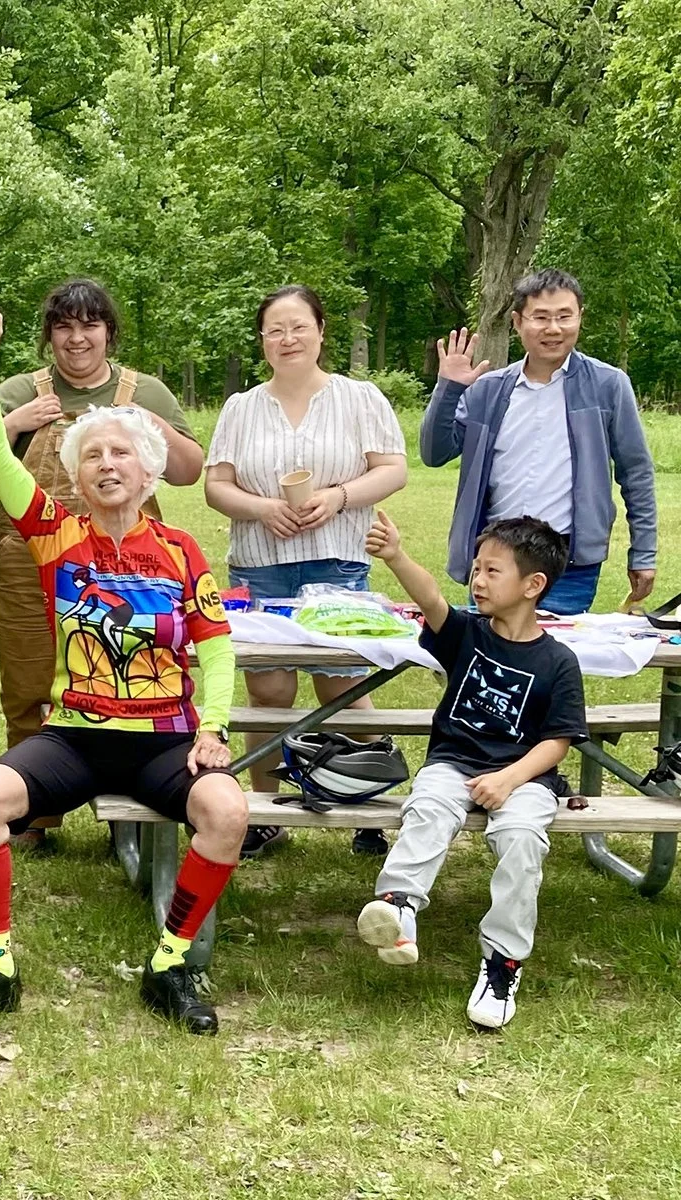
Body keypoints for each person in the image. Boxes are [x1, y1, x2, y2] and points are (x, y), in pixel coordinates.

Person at [0, 307, 249, 1034]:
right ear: (76, 475)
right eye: (92, 457)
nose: (107, 465)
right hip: (76, 735)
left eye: (121, 455)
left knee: (228, 811)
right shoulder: (56, 536)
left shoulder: (179, 552)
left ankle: (170, 964)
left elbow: (218, 644)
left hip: (163, 739)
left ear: (147, 470)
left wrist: (216, 727)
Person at [0, 278, 205, 850]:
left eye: (90, 325)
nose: (77, 338)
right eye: (64, 326)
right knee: (27, 677)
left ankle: (132, 792)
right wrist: (20, 420)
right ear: (49, 337)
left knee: (126, 668)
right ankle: (34, 814)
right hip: (28, 555)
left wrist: (143, 422)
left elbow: (190, 469)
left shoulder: (147, 391)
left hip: (127, 561)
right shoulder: (23, 388)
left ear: (109, 334)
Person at [359, 511, 586, 1030]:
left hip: (526, 777)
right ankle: (398, 909)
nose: (477, 581)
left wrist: (509, 780)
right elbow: (433, 600)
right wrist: (395, 555)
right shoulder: (466, 634)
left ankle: (503, 962)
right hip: (455, 762)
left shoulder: (559, 661)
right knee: (430, 805)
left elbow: (559, 741)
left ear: (533, 585)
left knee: (523, 839)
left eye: (492, 572)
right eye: (476, 570)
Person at [204, 286, 407, 860]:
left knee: (343, 685)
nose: (287, 339)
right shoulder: (241, 407)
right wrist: (263, 508)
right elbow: (216, 486)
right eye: (275, 330)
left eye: (299, 327)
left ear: (321, 331)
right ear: (262, 340)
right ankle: (263, 811)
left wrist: (337, 497)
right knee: (268, 691)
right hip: (261, 563)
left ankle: (370, 800)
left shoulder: (360, 398)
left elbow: (392, 470)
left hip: (338, 560)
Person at [422, 267, 657, 617]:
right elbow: (434, 453)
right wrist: (449, 389)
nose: (554, 328)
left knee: (553, 660)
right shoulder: (489, 390)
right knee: (491, 660)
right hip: (495, 558)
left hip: (568, 563)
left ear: (580, 318)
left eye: (565, 316)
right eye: (541, 317)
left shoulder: (608, 385)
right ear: (518, 322)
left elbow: (636, 473)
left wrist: (643, 553)